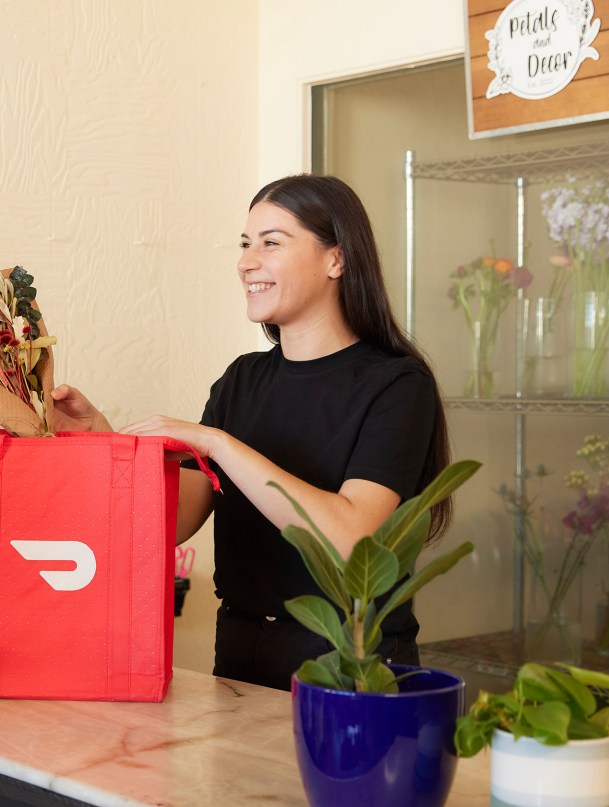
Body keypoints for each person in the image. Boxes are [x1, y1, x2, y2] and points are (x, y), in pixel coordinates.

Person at [52, 174, 451, 691]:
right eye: (244, 244)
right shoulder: (242, 379)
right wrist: (99, 439)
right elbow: (170, 523)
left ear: (337, 259)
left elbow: (353, 542)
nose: (246, 261)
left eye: (271, 243)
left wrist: (215, 441)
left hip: (350, 663)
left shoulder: (396, 385)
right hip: (241, 651)